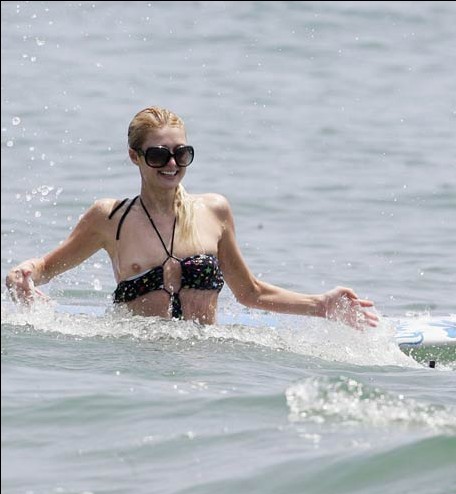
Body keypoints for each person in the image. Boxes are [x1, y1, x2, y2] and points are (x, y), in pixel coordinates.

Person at [4, 106, 379, 329]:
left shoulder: (214, 211)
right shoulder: (110, 218)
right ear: (134, 157)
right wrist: (24, 273)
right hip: (137, 366)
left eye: (181, 154)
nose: (171, 164)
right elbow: (46, 268)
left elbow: (250, 292)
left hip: (203, 365)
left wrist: (320, 305)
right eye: (158, 155)